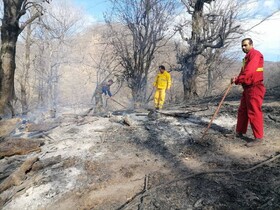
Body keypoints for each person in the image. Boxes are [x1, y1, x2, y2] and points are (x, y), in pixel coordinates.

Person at [231, 38, 266, 147]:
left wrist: (237, 80)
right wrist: (237, 78)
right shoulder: (246, 58)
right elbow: (244, 72)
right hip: (247, 88)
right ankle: (240, 132)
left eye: (245, 45)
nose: (243, 47)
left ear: (251, 45)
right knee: (243, 110)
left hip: (255, 88)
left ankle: (258, 138)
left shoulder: (255, 54)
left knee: (254, 111)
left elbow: (249, 72)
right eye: (242, 46)